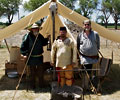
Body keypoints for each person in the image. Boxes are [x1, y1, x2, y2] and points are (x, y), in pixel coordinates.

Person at [20, 23, 49, 89]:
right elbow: (23, 45)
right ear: (32, 29)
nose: (35, 30)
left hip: (39, 57)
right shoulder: (27, 36)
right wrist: (24, 54)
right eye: (34, 29)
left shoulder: (40, 36)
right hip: (31, 57)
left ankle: (41, 85)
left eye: (37, 28)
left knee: (40, 72)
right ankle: (32, 86)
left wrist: (47, 39)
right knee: (32, 73)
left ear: (38, 29)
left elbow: (43, 43)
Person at [77, 19, 100, 90]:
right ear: (83, 25)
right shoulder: (80, 35)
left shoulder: (95, 34)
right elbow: (78, 46)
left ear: (90, 25)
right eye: (85, 24)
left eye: (88, 24)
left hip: (94, 58)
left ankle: (95, 87)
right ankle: (85, 87)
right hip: (84, 58)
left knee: (94, 74)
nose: (87, 26)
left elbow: (98, 46)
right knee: (85, 74)